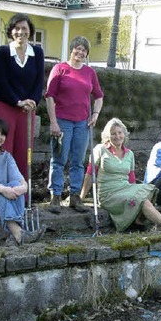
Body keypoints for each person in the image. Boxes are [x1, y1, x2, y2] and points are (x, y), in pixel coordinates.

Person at [80, 118, 161, 231]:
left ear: (124, 134)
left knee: (148, 190)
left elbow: (131, 180)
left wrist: (136, 195)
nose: (117, 136)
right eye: (113, 133)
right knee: (143, 201)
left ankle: (138, 219)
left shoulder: (129, 154)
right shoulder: (100, 149)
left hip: (126, 188)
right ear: (107, 136)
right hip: (109, 194)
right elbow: (90, 174)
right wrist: (82, 196)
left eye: (120, 133)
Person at [45, 36, 104, 214]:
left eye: (83, 50)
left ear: (87, 54)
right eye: (77, 49)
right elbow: (49, 96)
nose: (80, 53)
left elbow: (99, 96)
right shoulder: (60, 69)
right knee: (59, 160)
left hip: (82, 123)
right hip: (62, 121)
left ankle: (75, 197)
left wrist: (95, 114)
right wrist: (53, 122)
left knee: (78, 161)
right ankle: (55, 196)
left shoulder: (89, 72)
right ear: (71, 50)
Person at [0, 13, 45, 180]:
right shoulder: (3, 52)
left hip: (27, 109)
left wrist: (32, 102)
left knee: (24, 152)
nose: (20, 32)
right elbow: (1, 81)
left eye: (24, 28)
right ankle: (0, 192)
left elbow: (39, 82)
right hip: (5, 106)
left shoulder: (37, 52)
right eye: (17, 28)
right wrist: (17, 101)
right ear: (11, 31)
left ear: (30, 31)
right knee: (3, 149)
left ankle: (21, 195)